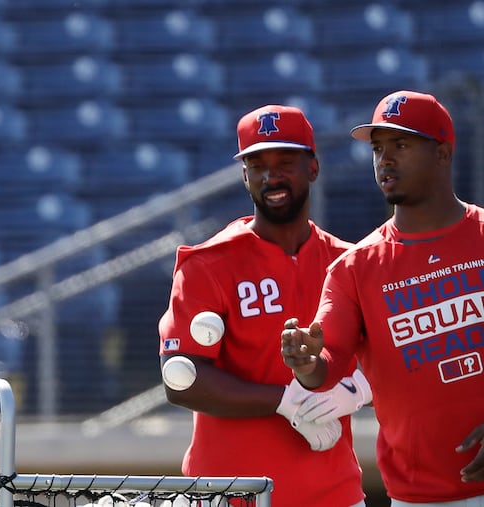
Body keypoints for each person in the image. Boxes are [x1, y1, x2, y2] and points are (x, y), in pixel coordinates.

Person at [158, 104, 371, 507]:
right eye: (257, 164)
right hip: (230, 495)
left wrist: (357, 390)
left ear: (313, 167)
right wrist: (284, 401)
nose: (271, 176)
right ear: (244, 175)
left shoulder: (349, 261)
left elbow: (394, 356)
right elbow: (179, 380)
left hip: (336, 494)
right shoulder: (208, 263)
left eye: (285, 161)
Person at [281, 90, 484, 506]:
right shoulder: (354, 268)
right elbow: (327, 365)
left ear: (443, 154)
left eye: (401, 145)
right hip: (422, 497)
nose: (384, 159)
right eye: (378, 148)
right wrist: (308, 364)